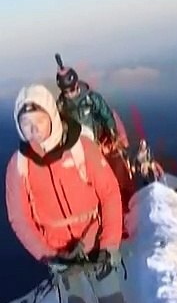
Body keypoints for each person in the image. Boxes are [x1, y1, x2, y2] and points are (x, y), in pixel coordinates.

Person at [5, 84, 150, 303]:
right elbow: (19, 218)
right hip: (61, 257)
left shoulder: (81, 148)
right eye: (26, 126)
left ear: (52, 115)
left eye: (37, 122)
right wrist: (48, 255)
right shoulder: (20, 166)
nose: (34, 132)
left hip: (95, 241)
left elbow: (109, 194)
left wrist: (109, 242)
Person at [54, 56, 138, 221]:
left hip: (99, 142)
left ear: (77, 84)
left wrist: (113, 133)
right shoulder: (61, 106)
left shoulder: (92, 99)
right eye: (67, 91)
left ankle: (123, 207)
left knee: (112, 175)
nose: (71, 94)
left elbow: (106, 115)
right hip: (77, 147)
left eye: (73, 89)